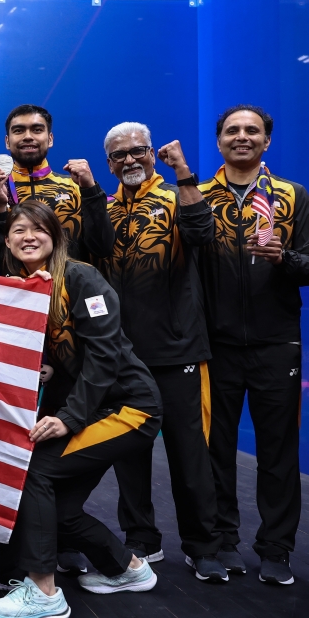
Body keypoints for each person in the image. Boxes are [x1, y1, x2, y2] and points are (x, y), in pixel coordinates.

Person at [0, 201, 162, 618]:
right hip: (89, 409)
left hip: (129, 408)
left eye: (39, 229)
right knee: (54, 508)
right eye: (19, 229)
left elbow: (103, 356)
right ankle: (127, 569)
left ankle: (43, 592)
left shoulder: (81, 278)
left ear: (55, 238)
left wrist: (68, 418)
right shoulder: (24, 287)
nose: (28, 236)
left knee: (35, 472)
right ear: (8, 239)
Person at [85, 123, 227, 583]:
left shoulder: (179, 196)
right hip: (121, 356)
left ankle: (203, 546)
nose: (129, 160)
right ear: (108, 163)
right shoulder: (101, 208)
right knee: (129, 456)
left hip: (178, 349)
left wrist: (183, 172)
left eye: (138, 152)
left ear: (151, 154)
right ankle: (141, 539)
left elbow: (204, 235)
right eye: (119, 155)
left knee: (190, 455)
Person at [197, 105, 307, 585]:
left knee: (278, 453)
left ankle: (277, 548)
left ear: (267, 141)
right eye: (232, 131)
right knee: (216, 449)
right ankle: (223, 542)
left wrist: (285, 258)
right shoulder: (198, 197)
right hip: (216, 344)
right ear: (219, 140)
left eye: (252, 131)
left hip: (275, 342)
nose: (242, 137)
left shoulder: (292, 195)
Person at [0, 104, 113, 273]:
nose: (28, 136)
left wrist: (90, 190)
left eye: (37, 130)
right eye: (19, 130)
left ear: (50, 139)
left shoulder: (76, 187)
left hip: (68, 293)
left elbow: (102, 248)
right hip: (16, 294)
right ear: (7, 141)